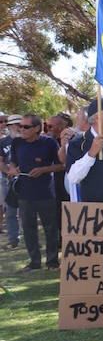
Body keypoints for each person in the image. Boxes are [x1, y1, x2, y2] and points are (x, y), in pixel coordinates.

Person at [8, 114, 63, 272]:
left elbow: (61, 165)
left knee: (50, 228)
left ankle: (52, 261)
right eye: (20, 126)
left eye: (26, 127)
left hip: (46, 193)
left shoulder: (49, 143)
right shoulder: (17, 143)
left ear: (37, 128)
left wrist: (43, 170)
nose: (21, 129)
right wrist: (12, 168)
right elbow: (13, 161)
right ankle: (34, 261)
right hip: (24, 193)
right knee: (28, 228)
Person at [0, 114, 22, 248]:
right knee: (10, 211)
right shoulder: (3, 142)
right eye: (15, 125)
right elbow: (0, 161)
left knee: (27, 210)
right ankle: (13, 239)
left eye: (20, 124)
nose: (18, 127)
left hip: (25, 178)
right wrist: (9, 171)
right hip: (7, 179)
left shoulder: (27, 141)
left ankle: (31, 238)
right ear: (10, 126)